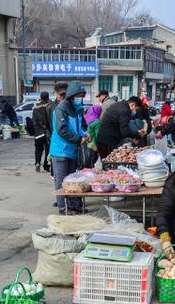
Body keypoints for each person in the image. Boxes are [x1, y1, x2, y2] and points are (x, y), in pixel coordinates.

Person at [50, 81, 88, 214]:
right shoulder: (61, 108)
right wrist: (78, 138)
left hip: (71, 149)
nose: (80, 98)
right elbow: (62, 130)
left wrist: (85, 134)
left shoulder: (77, 108)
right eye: (79, 95)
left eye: (82, 96)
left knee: (72, 180)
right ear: (72, 95)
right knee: (61, 180)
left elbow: (78, 127)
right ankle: (62, 207)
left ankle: (73, 205)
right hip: (60, 150)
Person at [96, 96, 145, 160]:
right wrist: (137, 134)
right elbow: (125, 131)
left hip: (103, 139)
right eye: (136, 109)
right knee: (109, 164)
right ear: (133, 105)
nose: (135, 112)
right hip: (107, 142)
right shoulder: (124, 111)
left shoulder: (120, 105)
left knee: (107, 164)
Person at [31, 91, 51, 173]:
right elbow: (50, 120)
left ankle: (37, 163)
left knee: (38, 149)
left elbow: (34, 121)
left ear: (40, 97)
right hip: (47, 132)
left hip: (38, 133)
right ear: (48, 97)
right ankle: (46, 166)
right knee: (48, 150)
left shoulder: (35, 108)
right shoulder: (49, 107)